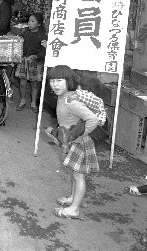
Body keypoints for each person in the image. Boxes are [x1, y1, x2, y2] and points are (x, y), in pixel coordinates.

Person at [48, 65, 99, 220]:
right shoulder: (63, 97)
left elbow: (93, 119)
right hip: (73, 141)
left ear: (68, 81)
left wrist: (81, 134)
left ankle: (74, 209)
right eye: (52, 81)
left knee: (79, 176)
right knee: (75, 174)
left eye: (59, 81)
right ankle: (72, 198)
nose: (55, 84)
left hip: (80, 143)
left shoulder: (72, 102)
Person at [15, 13, 47, 113]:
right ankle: (22, 101)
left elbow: (44, 51)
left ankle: (33, 103)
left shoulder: (42, 36)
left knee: (34, 85)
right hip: (24, 60)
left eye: (32, 21)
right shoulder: (25, 32)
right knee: (22, 83)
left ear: (39, 24)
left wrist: (36, 56)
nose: (29, 23)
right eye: (29, 21)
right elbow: (19, 44)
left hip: (35, 63)